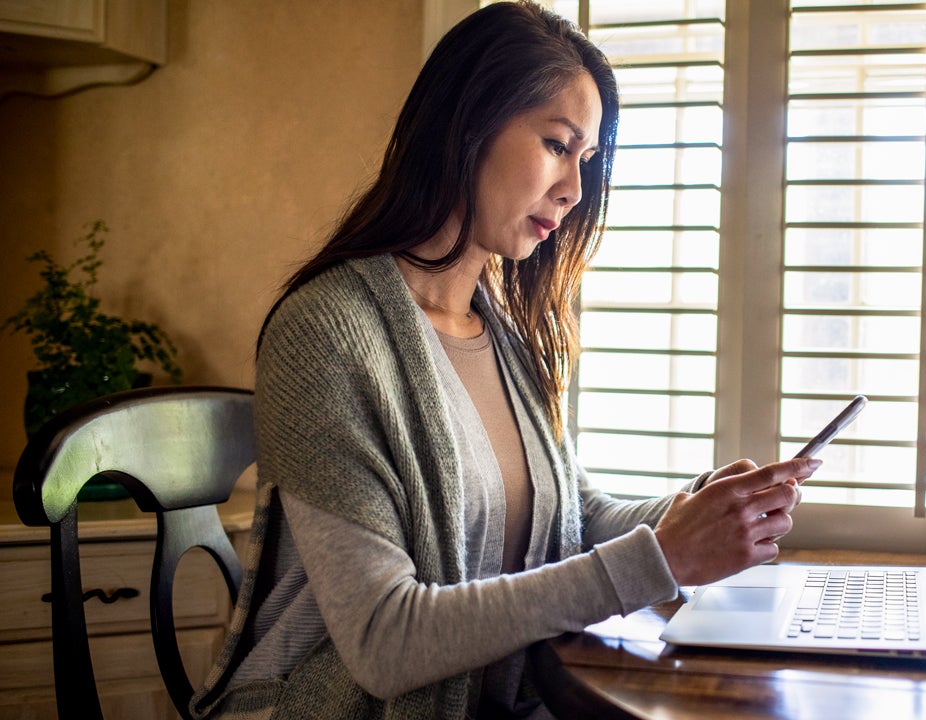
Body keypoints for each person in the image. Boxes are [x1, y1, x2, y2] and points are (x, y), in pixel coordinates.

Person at [192, 3, 817, 718]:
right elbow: (382, 640)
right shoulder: (326, 335)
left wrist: (696, 517)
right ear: (468, 124)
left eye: (586, 161)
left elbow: (571, 520)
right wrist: (662, 558)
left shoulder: (500, 330)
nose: (575, 191)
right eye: (557, 145)